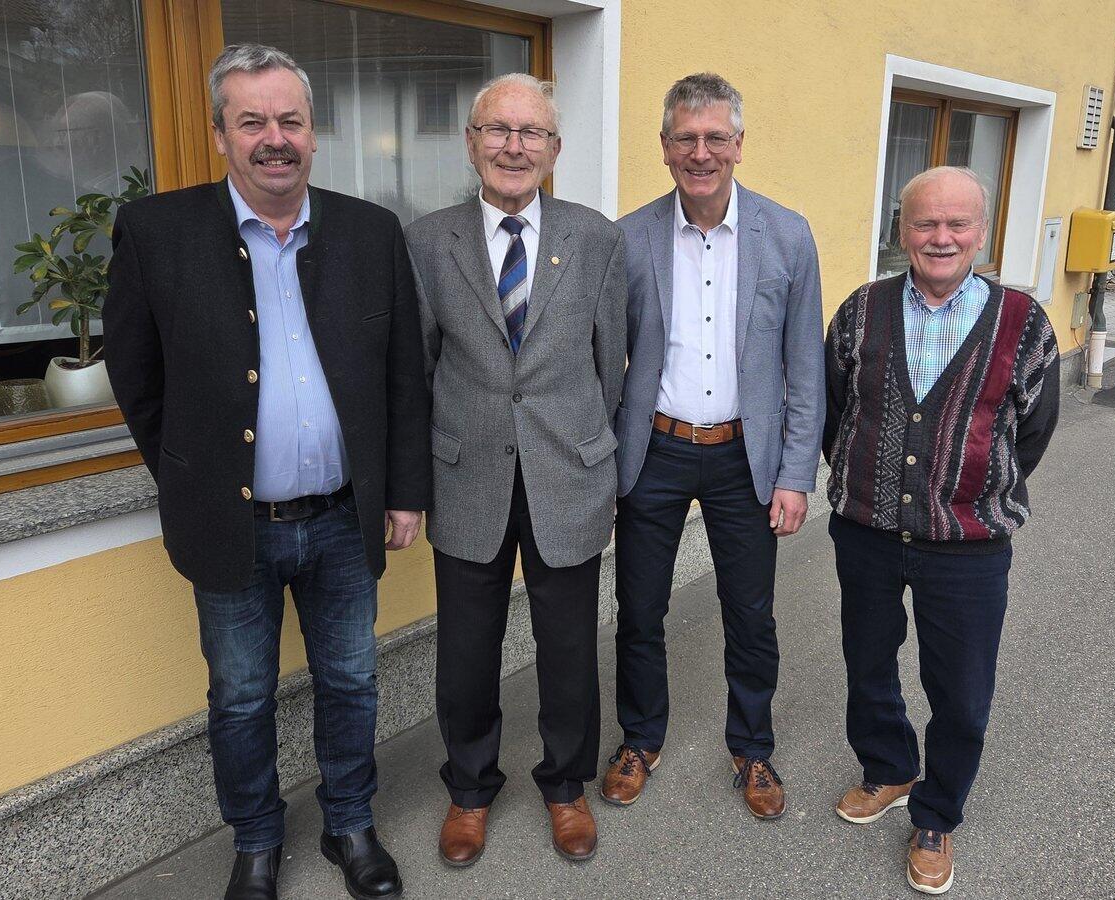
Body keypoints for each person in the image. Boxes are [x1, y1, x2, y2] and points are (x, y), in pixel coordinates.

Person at [103, 43, 429, 900]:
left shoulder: (370, 231)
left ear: (314, 133)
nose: (273, 138)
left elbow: (404, 373)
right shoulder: (157, 233)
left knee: (353, 681)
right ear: (221, 135)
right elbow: (136, 377)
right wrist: (190, 475)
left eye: (290, 120)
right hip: (230, 523)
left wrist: (404, 492)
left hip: (342, 518)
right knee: (242, 696)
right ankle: (255, 840)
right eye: (252, 121)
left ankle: (350, 824)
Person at [405, 73, 626, 866]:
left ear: (554, 149)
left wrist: (593, 452)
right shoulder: (427, 241)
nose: (513, 146)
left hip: (569, 473)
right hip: (467, 475)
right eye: (497, 130)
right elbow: (418, 368)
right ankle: (470, 790)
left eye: (531, 133)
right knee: (467, 652)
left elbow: (611, 365)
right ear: (471, 143)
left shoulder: (596, 238)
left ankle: (565, 785)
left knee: (569, 649)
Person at [822, 166, 1059, 895]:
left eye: (958, 223)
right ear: (902, 231)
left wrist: (968, 488)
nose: (942, 237)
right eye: (926, 223)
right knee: (868, 661)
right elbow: (836, 411)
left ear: (982, 233)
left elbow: (1033, 431)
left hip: (968, 545)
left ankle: (938, 812)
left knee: (960, 686)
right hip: (866, 531)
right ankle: (889, 767)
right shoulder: (862, 310)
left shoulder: (1024, 322)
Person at [604, 73, 825, 819]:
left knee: (751, 614)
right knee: (639, 609)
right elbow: (606, 359)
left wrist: (796, 474)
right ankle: (640, 738)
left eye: (715, 138)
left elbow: (804, 365)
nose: (701, 153)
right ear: (665, 147)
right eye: (686, 139)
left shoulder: (786, 234)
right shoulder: (628, 238)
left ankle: (752, 747)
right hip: (654, 451)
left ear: (738, 144)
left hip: (744, 457)